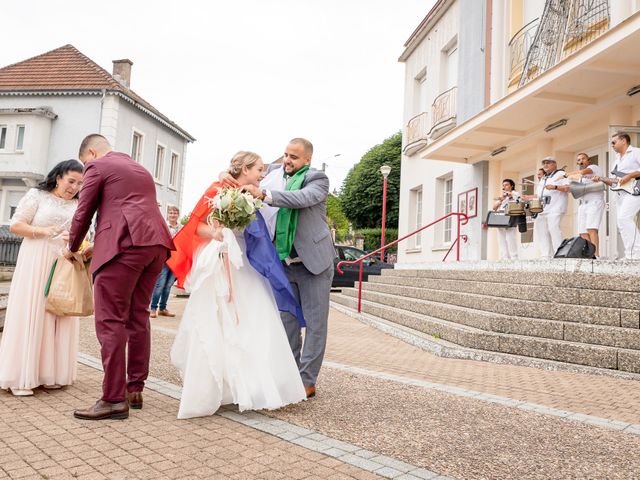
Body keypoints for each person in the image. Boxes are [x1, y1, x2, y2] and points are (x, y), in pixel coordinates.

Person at [168, 151, 306, 419]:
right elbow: (196, 227)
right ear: (244, 168)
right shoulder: (218, 189)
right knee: (220, 319)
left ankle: (252, 387)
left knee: (254, 319)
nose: (262, 174)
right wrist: (217, 232)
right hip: (223, 261)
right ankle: (218, 387)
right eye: (258, 169)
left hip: (247, 265)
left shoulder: (254, 193)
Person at [66, 134, 174, 420]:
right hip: (156, 245)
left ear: (91, 152)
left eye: (84, 162)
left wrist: (72, 247)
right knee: (138, 315)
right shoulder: (139, 168)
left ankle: (113, 399)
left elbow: (84, 211)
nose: (85, 168)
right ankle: (134, 388)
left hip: (123, 246)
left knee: (111, 319)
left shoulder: (98, 166)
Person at [243, 138, 335, 399]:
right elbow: (245, 170)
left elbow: (301, 199)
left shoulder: (318, 180)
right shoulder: (273, 173)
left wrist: (265, 195)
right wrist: (224, 175)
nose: (287, 160)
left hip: (314, 264)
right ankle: (289, 374)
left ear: (307, 160)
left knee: (316, 325)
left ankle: (307, 380)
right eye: (285, 155)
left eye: (294, 157)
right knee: (288, 323)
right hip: (283, 263)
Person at [0, 160, 85, 396]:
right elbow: (16, 225)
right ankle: (21, 376)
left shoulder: (79, 204)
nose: (74, 187)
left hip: (62, 261)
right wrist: (43, 231)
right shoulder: (36, 195)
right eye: (71, 181)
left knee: (58, 313)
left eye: (79, 183)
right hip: (35, 259)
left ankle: (50, 374)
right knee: (32, 311)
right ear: (58, 177)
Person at [593, 132, 640, 259]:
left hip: (635, 191)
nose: (612, 145)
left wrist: (629, 175)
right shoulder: (616, 161)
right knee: (621, 222)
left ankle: (637, 253)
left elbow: (630, 176)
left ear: (624, 141)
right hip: (620, 195)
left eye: (614, 142)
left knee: (624, 218)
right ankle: (630, 254)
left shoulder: (636, 152)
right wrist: (601, 179)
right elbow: (615, 182)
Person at [564, 153, 605, 257]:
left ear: (588, 160)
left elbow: (583, 172)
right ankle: (590, 256)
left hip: (594, 202)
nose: (581, 161)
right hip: (583, 204)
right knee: (583, 233)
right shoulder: (580, 178)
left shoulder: (594, 168)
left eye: (583, 158)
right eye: (578, 160)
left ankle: (597, 256)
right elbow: (575, 188)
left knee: (591, 229)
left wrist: (566, 174)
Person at [149, 206, 181, 318]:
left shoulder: (181, 228)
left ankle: (163, 308)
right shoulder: (163, 226)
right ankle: (153, 308)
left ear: (178, 215)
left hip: (176, 260)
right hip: (164, 259)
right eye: (171, 213)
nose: (173, 215)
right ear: (168, 215)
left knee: (168, 285)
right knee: (160, 284)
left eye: (175, 213)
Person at [534, 156, 569, 259]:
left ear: (554, 164)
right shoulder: (544, 178)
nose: (545, 165)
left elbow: (568, 188)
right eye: (544, 163)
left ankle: (559, 254)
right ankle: (546, 255)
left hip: (556, 207)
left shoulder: (561, 174)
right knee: (541, 231)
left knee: (553, 229)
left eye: (548, 163)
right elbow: (539, 195)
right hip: (543, 209)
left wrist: (555, 187)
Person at [492, 178, 520, 260]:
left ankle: (514, 257)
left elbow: (518, 200)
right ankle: (505, 257)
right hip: (501, 217)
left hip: (511, 216)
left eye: (507, 185)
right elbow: (494, 208)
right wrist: (501, 199)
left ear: (512, 186)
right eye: (503, 185)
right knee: (501, 239)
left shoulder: (515, 193)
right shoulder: (503, 196)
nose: (505, 187)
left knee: (510, 237)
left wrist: (510, 195)